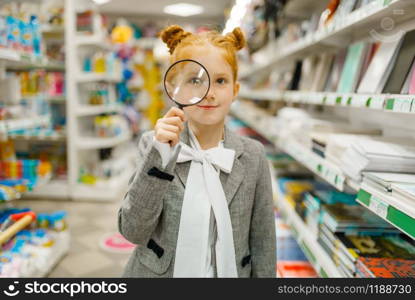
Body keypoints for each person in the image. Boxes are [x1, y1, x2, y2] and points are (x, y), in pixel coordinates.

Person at [118, 24, 276, 278]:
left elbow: (264, 238)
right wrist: (160, 156)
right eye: (195, 80)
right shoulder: (153, 144)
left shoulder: (253, 156)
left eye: (221, 81)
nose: (209, 93)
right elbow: (133, 230)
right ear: (175, 89)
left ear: (235, 91)